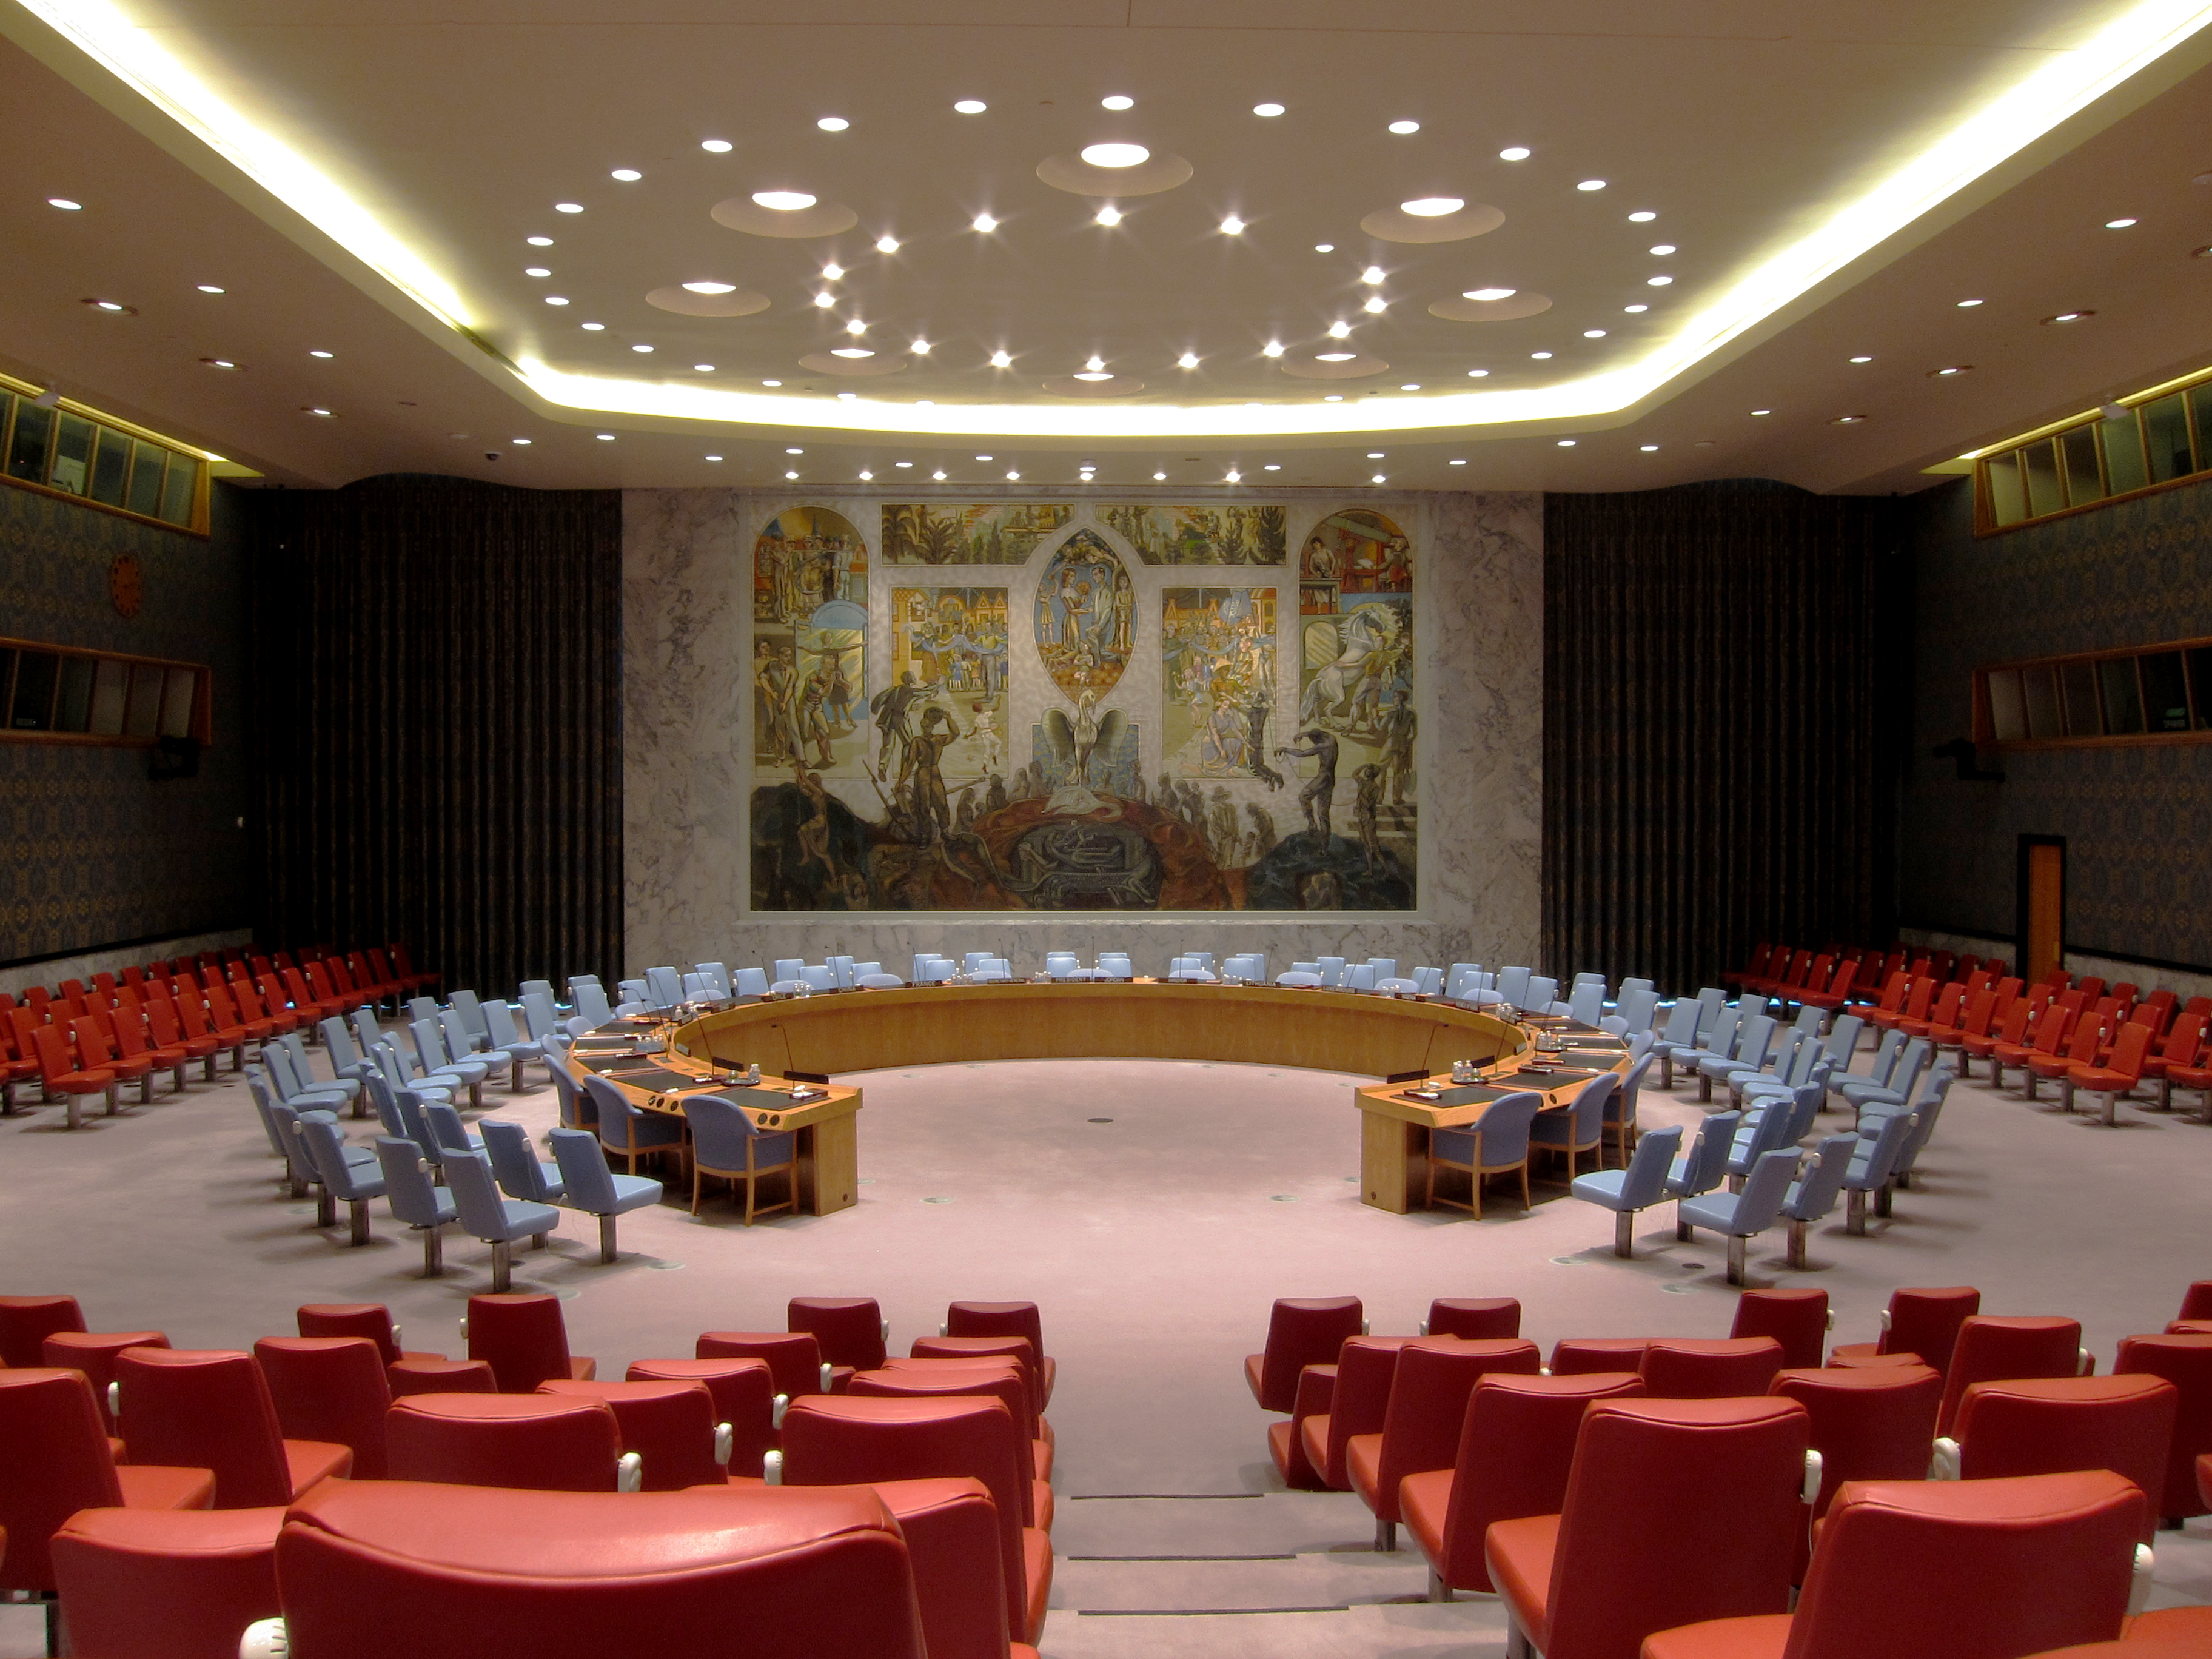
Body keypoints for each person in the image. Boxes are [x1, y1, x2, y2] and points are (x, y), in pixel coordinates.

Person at [1278, 728, 1339, 840]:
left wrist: (1286, 749)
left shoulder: (1321, 746)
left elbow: (1302, 754)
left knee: (1303, 797)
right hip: (1331, 778)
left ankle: (1312, 824)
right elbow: (1320, 732)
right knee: (1323, 815)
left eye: (1313, 741)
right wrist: (1304, 734)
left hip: (1323, 776)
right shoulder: (1331, 739)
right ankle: (1324, 847)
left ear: (1317, 739)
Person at [871, 671, 925, 781]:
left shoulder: (898, 689)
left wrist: (911, 707)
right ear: (910, 679)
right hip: (900, 720)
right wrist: (939, 684)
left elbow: (899, 704)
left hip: (889, 720)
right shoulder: (910, 691)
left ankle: (882, 766)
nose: (915, 678)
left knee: (888, 745)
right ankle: (905, 770)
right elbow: (926, 692)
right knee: (909, 744)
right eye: (914, 676)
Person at [1353, 763, 1384, 871]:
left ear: (1373, 774)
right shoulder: (1362, 782)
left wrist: (1361, 793)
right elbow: (1354, 774)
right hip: (1361, 815)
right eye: (1366, 770)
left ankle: (1386, 869)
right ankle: (1370, 870)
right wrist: (1364, 765)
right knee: (1365, 844)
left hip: (1369, 817)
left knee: (1373, 844)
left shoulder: (1375, 787)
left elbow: (1369, 805)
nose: (1366, 771)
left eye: (1369, 770)